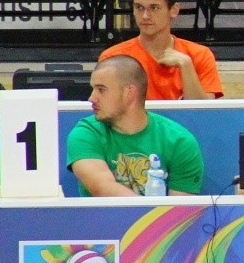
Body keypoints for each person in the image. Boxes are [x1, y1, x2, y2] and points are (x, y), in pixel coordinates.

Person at [66, 55, 205, 197]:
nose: (92, 98)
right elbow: (102, 187)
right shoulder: (86, 133)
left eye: (101, 89)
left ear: (129, 92)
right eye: (93, 89)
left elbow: (178, 208)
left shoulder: (179, 142)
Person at [99, 0, 223, 100]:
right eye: (139, 7)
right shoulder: (113, 58)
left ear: (174, 10)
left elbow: (203, 110)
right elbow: (107, 106)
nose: (145, 16)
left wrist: (186, 66)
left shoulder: (200, 55)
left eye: (154, 8)